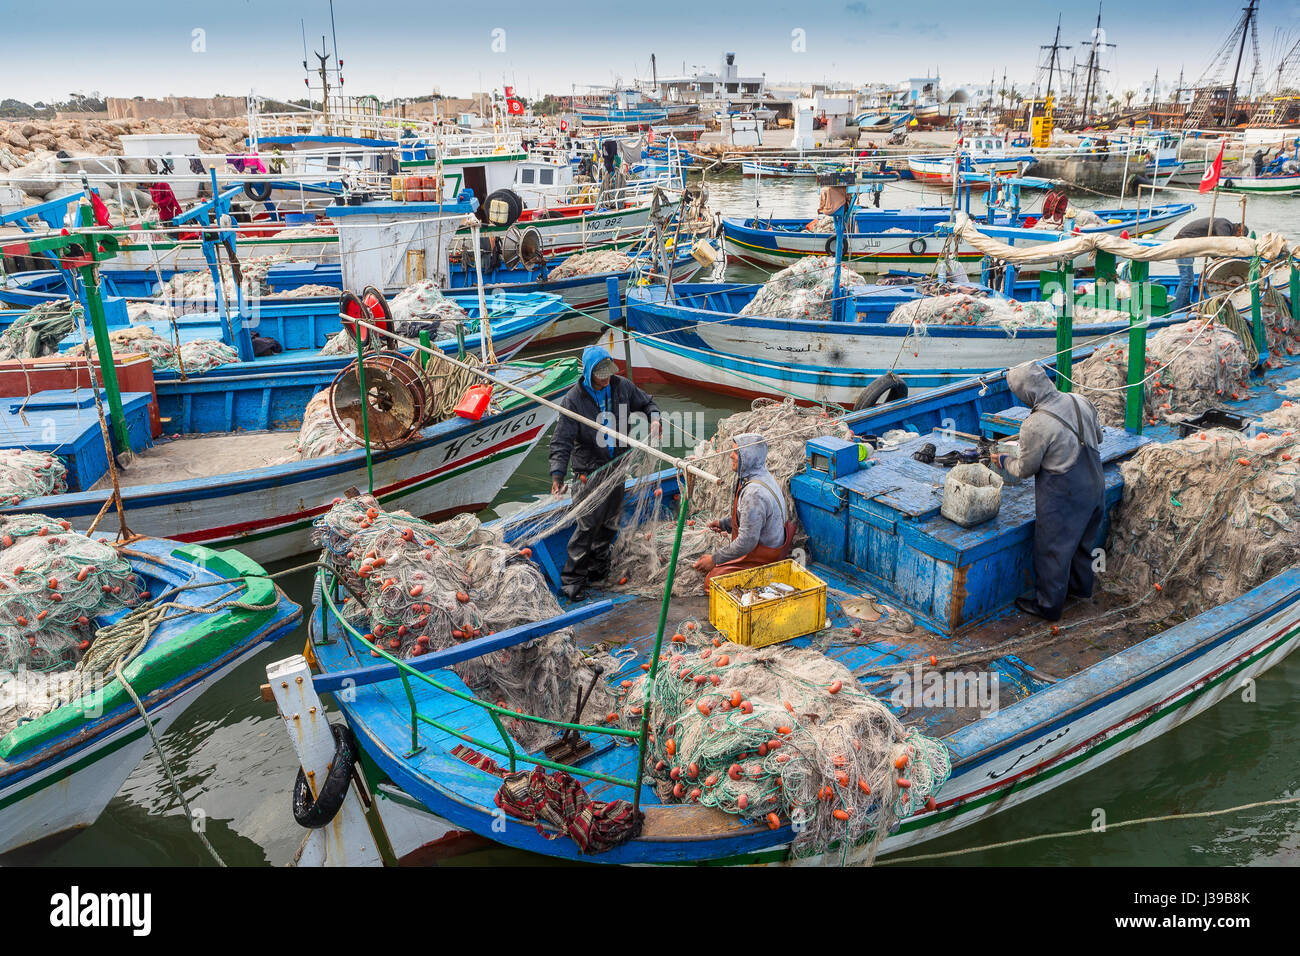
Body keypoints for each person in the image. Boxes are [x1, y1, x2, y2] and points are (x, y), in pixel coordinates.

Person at [990, 364, 1104, 622]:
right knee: (1083, 543)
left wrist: (1004, 460)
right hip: (1095, 485)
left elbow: (1024, 469)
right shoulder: (1080, 400)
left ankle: (1049, 606)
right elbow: (1099, 438)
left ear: (1025, 393)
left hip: (1065, 496)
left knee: (1053, 550)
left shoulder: (1035, 424)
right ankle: (1080, 589)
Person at [548, 345, 660, 600]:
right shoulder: (573, 401)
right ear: (589, 374)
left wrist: (654, 419)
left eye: (609, 373)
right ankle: (572, 582)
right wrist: (557, 475)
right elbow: (561, 442)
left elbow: (648, 403)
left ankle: (598, 572)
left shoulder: (621, 387)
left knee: (610, 523)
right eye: (601, 375)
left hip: (618, 466)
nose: (607, 379)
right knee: (587, 527)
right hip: (590, 472)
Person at [692, 434, 795, 584]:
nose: (731, 456)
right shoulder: (761, 475)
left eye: (736, 452)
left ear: (748, 457)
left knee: (711, 582)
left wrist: (714, 560)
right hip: (767, 545)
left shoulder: (753, 493)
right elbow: (753, 518)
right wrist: (723, 524)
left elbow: (747, 541)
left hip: (764, 557)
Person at [1170, 216, 1249, 310]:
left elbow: (1215, 251)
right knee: (1186, 280)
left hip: (1189, 246)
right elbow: (1223, 246)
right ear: (1239, 230)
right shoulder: (1224, 225)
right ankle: (1177, 309)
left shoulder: (1222, 226)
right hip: (1183, 244)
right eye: (1239, 237)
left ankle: (1184, 304)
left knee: (1189, 280)